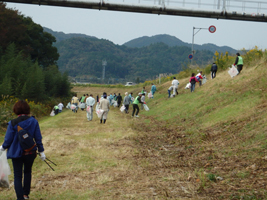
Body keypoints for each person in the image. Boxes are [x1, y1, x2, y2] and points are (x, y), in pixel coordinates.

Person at [0, 100, 45, 200]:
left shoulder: (12, 123)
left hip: (17, 154)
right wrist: (41, 151)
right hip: (30, 152)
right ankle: (25, 195)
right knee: (28, 172)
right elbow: (38, 138)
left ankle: (20, 198)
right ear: (27, 109)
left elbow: (7, 140)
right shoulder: (34, 121)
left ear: (16, 110)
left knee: (18, 176)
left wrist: (2, 148)